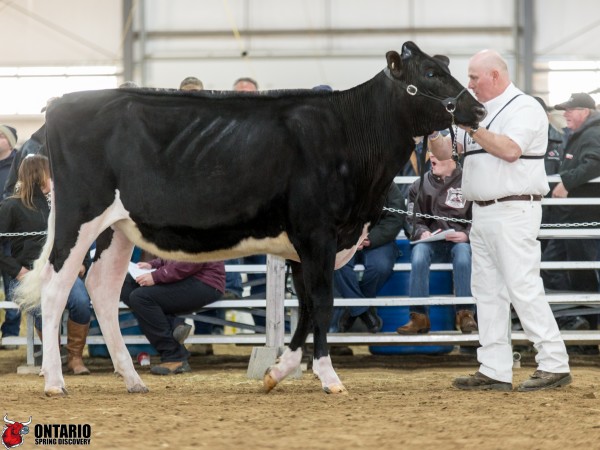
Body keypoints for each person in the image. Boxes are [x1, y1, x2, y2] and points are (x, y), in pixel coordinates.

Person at [428, 49, 571, 392]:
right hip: (481, 212)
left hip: (514, 210)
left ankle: (554, 363)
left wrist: (471, 126)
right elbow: (447, 153)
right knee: (487, 292)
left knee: (522, 287)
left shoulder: (524, 107)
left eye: (474, 77)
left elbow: (510, 150)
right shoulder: (479, 111)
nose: (469, 84)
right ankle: (494, 369)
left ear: (494, 75)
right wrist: (432, 129)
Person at [0, 155, 92, 374]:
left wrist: (83, 263)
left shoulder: (62, 206)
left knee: (81, 302)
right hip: (28, 274)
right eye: (50, 173)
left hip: (61, 270)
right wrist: (17, 270)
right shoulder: (11, 206)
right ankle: (53, 357)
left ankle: (75, 358)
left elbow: (79, 237)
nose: (54, 178)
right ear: (38, 175)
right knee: (42, 310)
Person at [396, 151, 477, 335]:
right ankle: (418, 317)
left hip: (460, 242)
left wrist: (466, 234)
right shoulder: (418, 185)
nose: (431, 156)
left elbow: (480, 216)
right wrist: (422, 232)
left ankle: (466, 314)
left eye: (437, 153)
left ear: (453, 158)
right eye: (431, 152)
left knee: (463, 254)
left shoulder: (470, 182)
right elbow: (411, 220)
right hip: (431, 241)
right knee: (419, 253)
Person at [120, 259, 225, 375]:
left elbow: (191, 261)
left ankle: (174, 356)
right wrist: (153, 264)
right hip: (188, 276)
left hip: (205, 282)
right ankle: (175, 324)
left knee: (140, 297)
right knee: (127, 285)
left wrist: (156, 276)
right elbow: (174, 255)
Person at [332, 182, 405, 338]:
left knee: (380, 266)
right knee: (337, 264)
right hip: (345, 240)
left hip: (378, 241)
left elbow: (396, 217)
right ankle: (364, 312)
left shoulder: (387, 183)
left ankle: (354, 309)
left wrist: (370, 238)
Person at [0, 124, 18, 347]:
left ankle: (11, 333)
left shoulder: (19, 166)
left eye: (1, 136)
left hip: (12, 237)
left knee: (13, 286)